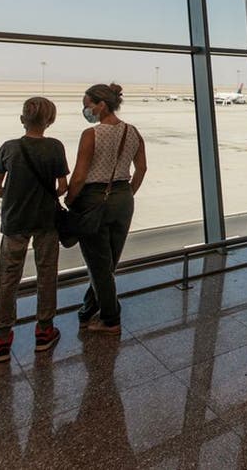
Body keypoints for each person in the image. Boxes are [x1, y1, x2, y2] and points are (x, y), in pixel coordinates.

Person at [0, 97, 70, 362]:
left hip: (14, 222)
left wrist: (14, 196)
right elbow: (62, 187)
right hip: (46, 222)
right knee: (47, 276)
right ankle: (44, 331)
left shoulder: (9, 148)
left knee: (8, 279)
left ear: (22, 119)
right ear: (50, 121)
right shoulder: (55, 147)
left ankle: (2, 338)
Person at [67, 83, 146, 334]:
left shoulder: (91, 134)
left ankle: (110, 318)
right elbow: (141, 169)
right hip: (123, 198)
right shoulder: (133, 132)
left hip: (94, 198)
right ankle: (88, 309)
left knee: (98, 263)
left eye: (87, 105)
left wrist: (70, 200)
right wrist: (127, 193)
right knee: (107, 262)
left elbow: (79, 176)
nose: (85, 110)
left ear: (101, 105)